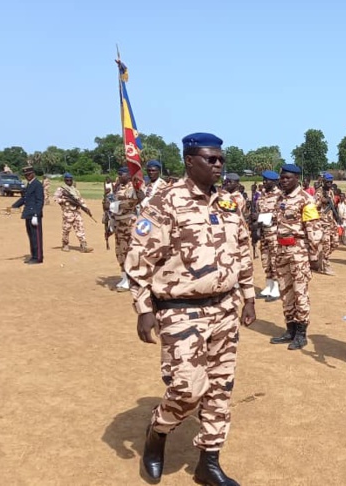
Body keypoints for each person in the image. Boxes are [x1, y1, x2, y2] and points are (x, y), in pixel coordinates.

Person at [126, 132, 253, 486]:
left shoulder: (230, 202)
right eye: (210, 159)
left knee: (220, 388)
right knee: (187, 388)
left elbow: (242, 249)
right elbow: (138, 258)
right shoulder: (165, 201)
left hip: (225, 308)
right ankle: (158, 431)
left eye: (220, 159)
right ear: (189, 160)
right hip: (181, 310)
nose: (218, 165)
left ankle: (208, 462)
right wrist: (143, 307)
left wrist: (249, 294)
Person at [269, 164, 322, 350]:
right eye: (282, 177)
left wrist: (314, 255)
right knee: (285, 291)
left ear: (296, 179)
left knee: (300, 292)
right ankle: (289, 329)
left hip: (298, 251)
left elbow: (313, 229)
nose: (283, 180)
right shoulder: (280, 198)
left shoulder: (306, 200)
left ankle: (301, 333)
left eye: (287, 178)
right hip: (281, 250)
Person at [107, 166, 139, 291]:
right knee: (119, 251)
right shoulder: (117, 187)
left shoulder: (132, 188)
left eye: (122, 174)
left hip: (128, 223)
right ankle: (124, 277)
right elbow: (110, 201)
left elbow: (132, 203)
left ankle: (131, 280)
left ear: (129, 175)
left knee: (127, 251)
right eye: (118, 174)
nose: (119, 176)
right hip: (118, 223)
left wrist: (115, 205)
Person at [8, 165, 45, 264]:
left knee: (36, 236)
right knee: (31, 236)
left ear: (33, 173)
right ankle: (33, 255)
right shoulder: (29, 184)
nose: (27, 176)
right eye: (25, 175)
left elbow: (40, 201)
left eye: (29, 174)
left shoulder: (37, 185)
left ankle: (38, 257)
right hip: (28, 214)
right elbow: (24, 199)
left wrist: (36, 215)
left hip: (34, 214)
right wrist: (13, 206)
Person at [52, 172, 94, 253]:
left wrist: (86, 208)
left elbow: (80, 200)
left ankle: (83, 245)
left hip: (76, 212)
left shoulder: (75, 190)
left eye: (70, 180)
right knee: (66, 229)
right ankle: (65, 244)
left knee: (80, 228)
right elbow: (55, 198)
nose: (69, 182)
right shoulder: (61, 189)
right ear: (64, 180)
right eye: (67, 180)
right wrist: (65, 200)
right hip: (67, 212)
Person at [257, 170, 282, 301]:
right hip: (263, 232)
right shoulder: (262, 195)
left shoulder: (280, 196)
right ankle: (268, 285)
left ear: (275, 181)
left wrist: (261, 217)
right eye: (264, 180)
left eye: (267, 180)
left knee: (274, 260)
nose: (265, 182)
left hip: (274, 232)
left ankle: (276, 289)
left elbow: (279, 214)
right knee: (265, 259)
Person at [314, 172, 339, 275]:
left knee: (335, 243)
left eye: (331, 182)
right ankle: (325, 265)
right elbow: (314, 206)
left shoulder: (331, 192)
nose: (329, 184)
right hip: (322, 222)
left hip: (331, 221)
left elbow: (333, 205)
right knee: (326, 244)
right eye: (327, 182)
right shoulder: (319, 192)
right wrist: (321, 201)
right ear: (323, 181)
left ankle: (320, 258)